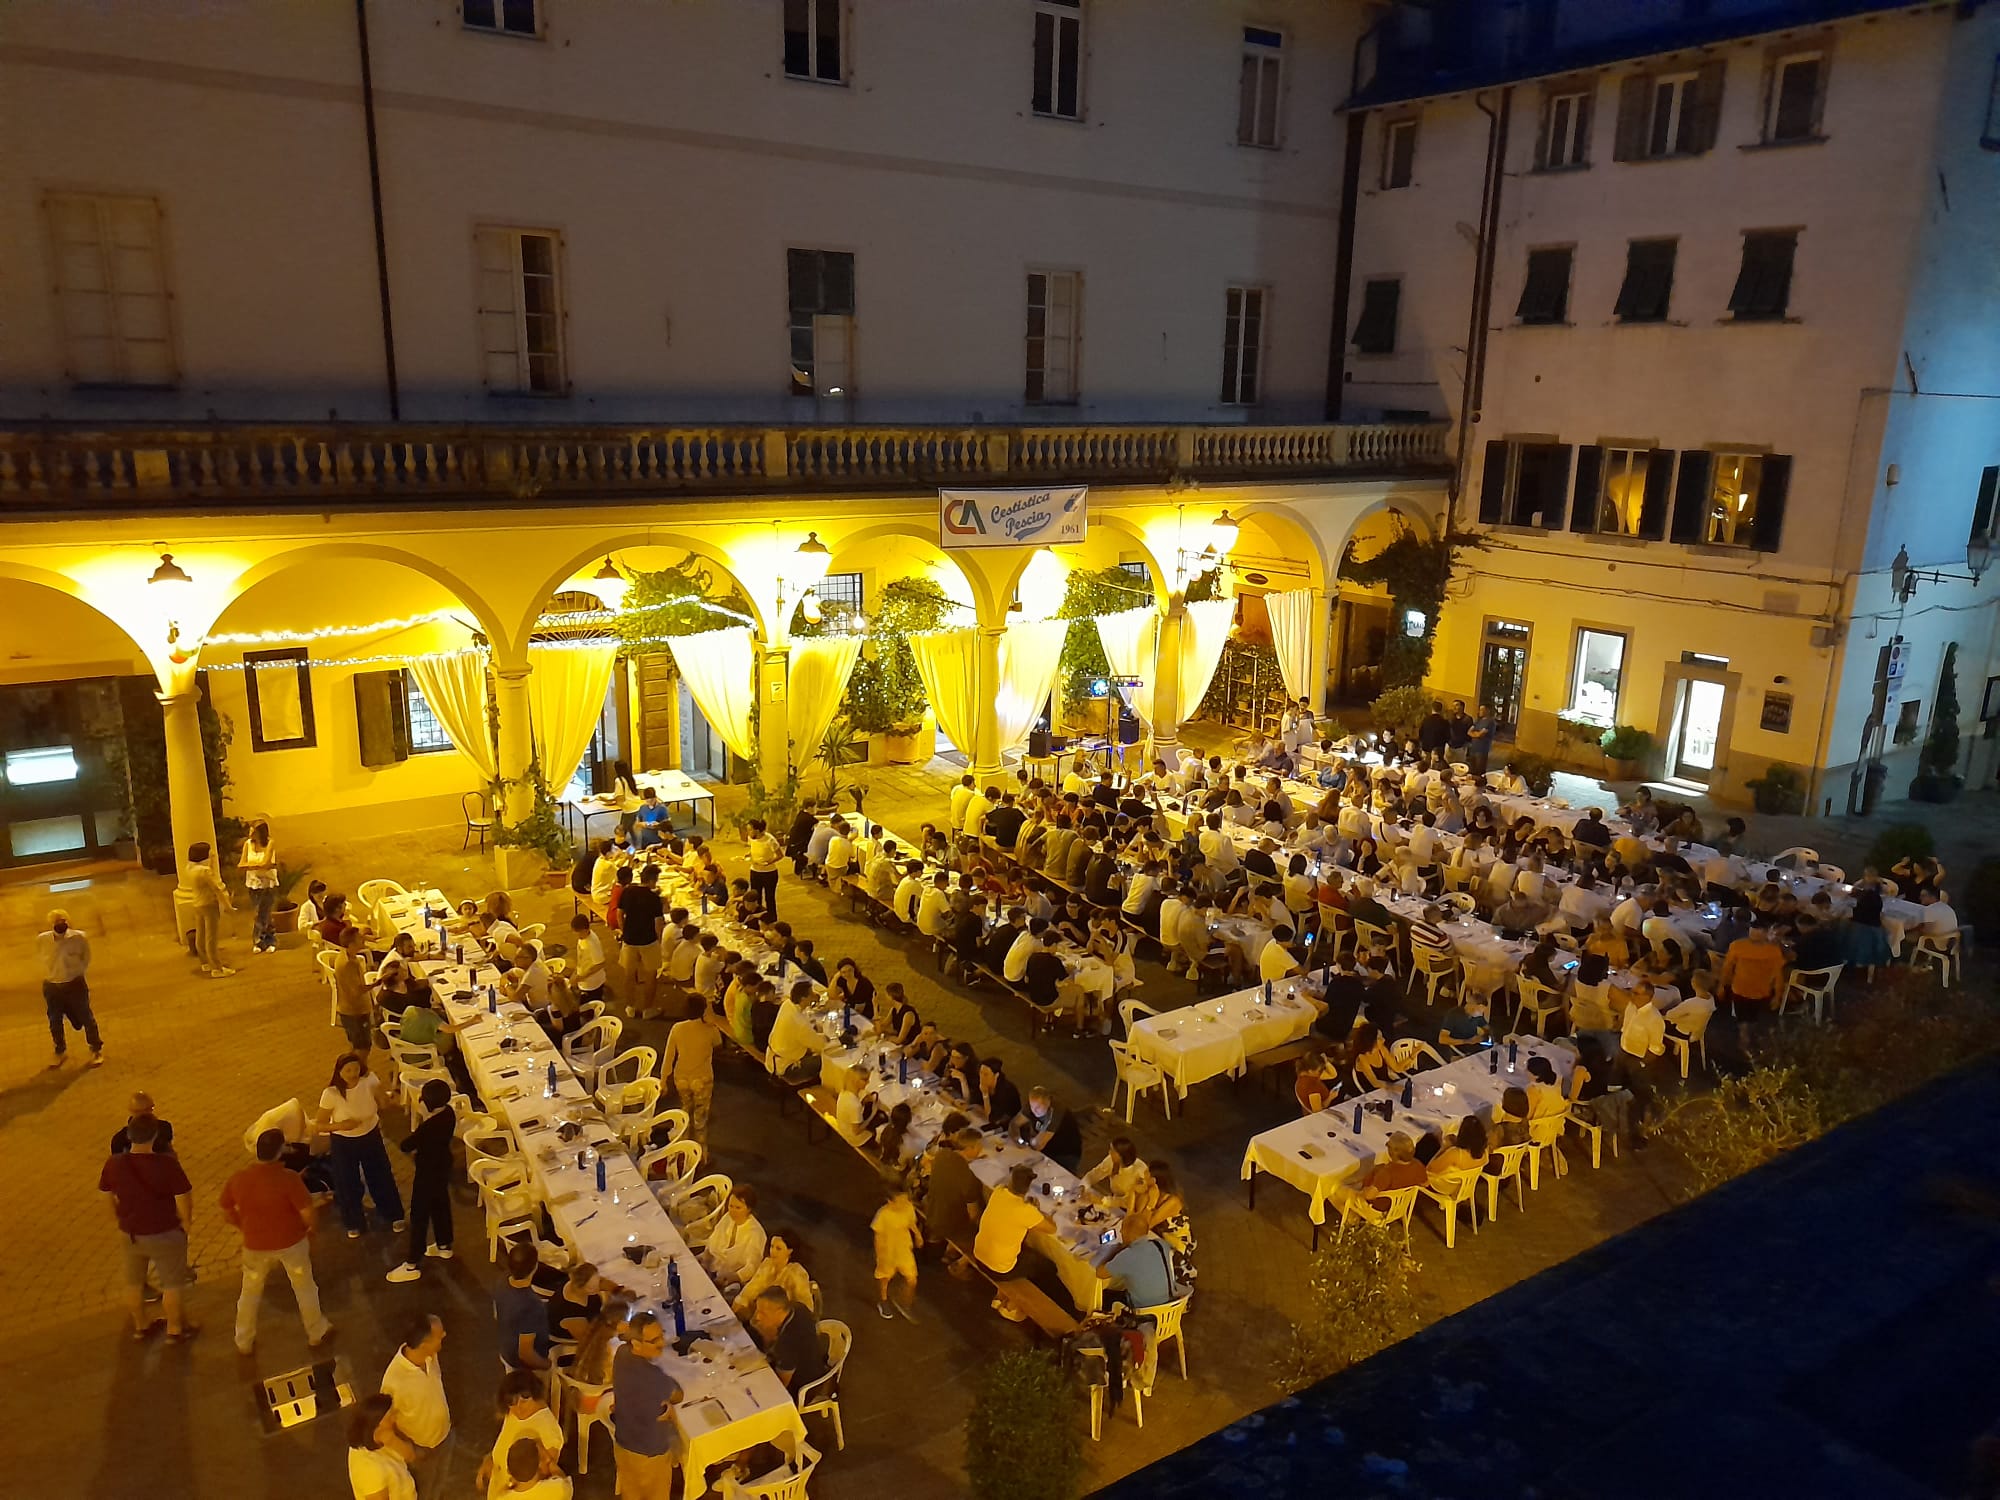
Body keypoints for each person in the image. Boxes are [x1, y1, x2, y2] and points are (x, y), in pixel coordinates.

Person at [222, 1126, 332, 1353]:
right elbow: (307, 1212)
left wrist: (242, 1225)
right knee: (304, 1288)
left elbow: (225, 1207)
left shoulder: (239, 1178)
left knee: (250, 1292)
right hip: (291, 1243)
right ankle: (315, 1331)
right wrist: (310, 1230)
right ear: (280, 1150)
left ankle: (243, 1340)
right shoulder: (289, 1179)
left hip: (255, 1245)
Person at [100, 1114, 197, 1342]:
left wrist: (117, 1219)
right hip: (164, 1231)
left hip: (131, 1233)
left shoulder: (114, 1164)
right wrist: (186, 1222)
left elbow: (105, 1194)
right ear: (154, 1136)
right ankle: (174, 1329)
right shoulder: (166, 1164)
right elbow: (183, 1196)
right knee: (172, 1283)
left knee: (133, 1283)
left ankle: (140, 1325)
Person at [315, 1053, 407, 1239]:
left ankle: (393, 1214)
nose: (353, 1074)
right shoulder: (331, 1094)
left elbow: (382, 1102)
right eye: (348, 1070)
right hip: (343, 1141)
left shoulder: (369, 1080)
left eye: (356, 1069)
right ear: (339, 1072)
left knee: (381, 1175)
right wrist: (341, 1126)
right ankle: (353, 1222)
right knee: (347, 1181)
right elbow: (319, 1125)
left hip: (370, 1135)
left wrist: (388, 1099)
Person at [385, 1080, 457, 1283]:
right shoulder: (449, 1114)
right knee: (441, 1204)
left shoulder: (428, 1127)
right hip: (443, 1167)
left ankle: (412, 1263)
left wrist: (423, 1120)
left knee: (419, 1216)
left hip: (427, 1173)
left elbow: (406, 1145)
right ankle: (444, 1245)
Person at [611, 1311, 683, 1500]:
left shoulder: (622, 1353)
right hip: (650, 1453)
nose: (661, 1344)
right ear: (636, 1343)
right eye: (654, 1340)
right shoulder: (653, 1377)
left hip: (624, 1442)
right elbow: (677, 1394)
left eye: (661, 1336)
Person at [475, 1369, 568, 1500]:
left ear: (535, 1394)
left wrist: (510, 1489)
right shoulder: (513, 1414)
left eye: (524, 1400)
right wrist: (490, 1459)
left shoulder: (549, 1431)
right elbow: (504, 1442)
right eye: (511, 1402)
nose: (518, 1407)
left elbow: (543, 1477)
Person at [39, 907, 103, 1068]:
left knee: (86, 1017)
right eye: (56, 922)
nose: (60, 925)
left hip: (74, 984)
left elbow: (86, 958)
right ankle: (59, 1051)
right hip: (53, 986)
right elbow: (39, 958)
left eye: (63, 921)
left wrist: (75, 973)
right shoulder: (42, 940)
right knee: (55, 1021)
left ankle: (96, 1049)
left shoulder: (79, 938)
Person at [973, 1164, 1055, 1284]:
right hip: (999, 1269)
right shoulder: (1025, 1210)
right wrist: (1038, 1211)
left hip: (979, 1256)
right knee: (1049, 1266)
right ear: (1028, 1188)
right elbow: (1052, 1229)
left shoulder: (999, 1192)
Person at [748, 1286, 829, 1391]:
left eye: (763, 1313)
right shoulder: (798, 1308)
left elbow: (780, 1385)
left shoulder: (787, 1343)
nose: (758, 1316)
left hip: (804, 1385)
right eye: (758, 1310)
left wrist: (766, 1337)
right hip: (816, 1364)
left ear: (779, 1312)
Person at [661, 1010, 720, 1147]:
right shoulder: (710, 1029)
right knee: (701, 1117)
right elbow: (719, 1046)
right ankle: (700, 1153)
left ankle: (683, 1148)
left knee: (685, 1111)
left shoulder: (677, 1028)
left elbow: (669, 1056)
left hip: (681, 1077)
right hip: (702, 1078)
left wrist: (664, 1079)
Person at [1097, 1213, 1180, 1311]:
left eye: (1122, 1229)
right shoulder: (1160, 1244)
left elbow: (1100, 1273)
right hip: (1170, 1303)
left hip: (1146, 1311)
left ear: (1129, 1232)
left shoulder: (1127, 1256)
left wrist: (1114, 1253)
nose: (1120, 1232)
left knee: (1105, 1295)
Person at [923, 1129, 988, 1252]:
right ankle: (954, 1254)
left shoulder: (941, 1155)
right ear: (970, 1148)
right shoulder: (969, 1179)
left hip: (932, 1208)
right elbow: (973, 1214)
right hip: (949, 1224)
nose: (980, 1150)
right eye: (978, 1146)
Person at [493, 1240, 551, 1372]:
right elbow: (526, 1353)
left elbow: (496, 1313)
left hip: (506, 1349)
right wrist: (547, 1365)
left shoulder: (503, 1279)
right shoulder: (531, 1306)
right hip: (523, 1366)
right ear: (535, 1267)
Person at [183, 840, 239, 977]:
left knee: (200, 935)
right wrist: (228, 906)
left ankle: (205, 963)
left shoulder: (189, 868)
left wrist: (212, 862)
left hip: (197, 903)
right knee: (211, 938)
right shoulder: (204, 871)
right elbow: (217, 888)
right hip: (209, 904)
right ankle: (217, 968)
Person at [348, 1392, 417, 1500]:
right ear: (376, 1424)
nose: (395, 1419)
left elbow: (410, 1456)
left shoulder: (384, 1434)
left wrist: (391, 1440)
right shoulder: (370, 1471)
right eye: (390, 1417)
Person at [619, 865, 667, 1018]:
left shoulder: (627, 891)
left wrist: (624, 930)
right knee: (650, 976)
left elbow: (619, 914)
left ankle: (630, 1007)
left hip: (629, 940)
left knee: (628, 974)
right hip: (648, 941)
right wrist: (659, 940)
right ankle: (647, 1009)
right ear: (653, 880)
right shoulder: (654, 899)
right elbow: (658, 923)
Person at [701, 1185, 768, 1290]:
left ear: (749, 1209)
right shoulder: (727, 1218)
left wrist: (734, 1277)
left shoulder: (755, 1232)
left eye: (738, 1208)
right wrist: (705, 1263)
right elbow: (712, 1243)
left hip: (732, 1279)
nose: (733, 1211)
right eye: (731, 1206)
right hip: (714, 1267)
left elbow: (752, 1266)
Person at [733, 1233, 814, 1319]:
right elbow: (752, 1288)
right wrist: (741, 1301)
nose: (773, 1251)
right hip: (760, 1313)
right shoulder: (767, 1264)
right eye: (772, 1247)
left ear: (789, 1251)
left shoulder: (796, 1272)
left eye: (778, 1249)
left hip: (781, 1319)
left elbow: (805, 1307)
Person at [872, 1186, 922, 1321]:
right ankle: (883, 1301)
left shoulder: (908, 1207)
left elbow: (911, 1223)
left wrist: (918, 1235)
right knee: (885, 1278)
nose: (904, 1204)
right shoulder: (883, 1215)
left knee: (912, 1279)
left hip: (904, 1249)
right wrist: (879, 1254)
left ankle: (905, 1302)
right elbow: (877, 1236)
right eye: (900, 1201)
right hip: (888, 1252)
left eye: (905, 1200)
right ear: (890, 1202)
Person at [1720, 920, 1788, 1009]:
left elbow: (1727, 968)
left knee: (1743, 1018)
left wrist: (1722, 986)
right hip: (1761, 992)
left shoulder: (1737, 946)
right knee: (1754, 1019)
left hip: (1740, 989)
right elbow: (1778, 975)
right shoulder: (1773, 951)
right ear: (1766, 933)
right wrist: (1777, 996)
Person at [1014, 1086, 1084, 1172]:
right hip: (1046, 1151)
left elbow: (1039, 1144)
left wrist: (1027, 1141)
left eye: (1038, 1107)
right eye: (1032, 1106)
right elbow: (1014, 1124)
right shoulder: (1033, 1105)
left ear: (1048, 1102)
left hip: (1064, 1155)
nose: (1034, 1110)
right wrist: (1019, 1139)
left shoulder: (1056, 1112)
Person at [1356, 1131, 1429, 1210]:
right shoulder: (1417, 1165)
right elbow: (1425, 1183)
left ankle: (1352, 1217)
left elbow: (1369, 1196)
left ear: (1392, 1152)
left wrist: (1364, 1189)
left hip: (1380, 1207)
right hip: (1402, 1206)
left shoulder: (1387, 1173)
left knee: (1344, 1191)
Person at [333, 926, 374, 1057]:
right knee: (362, 1047)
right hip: (355, 1011)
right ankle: (360, 1072)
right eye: (359, 939)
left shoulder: (346, 955)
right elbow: (357, 991)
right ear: (351, 944)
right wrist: (379, 982)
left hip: (349, 1010)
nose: (363, 940)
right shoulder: (348, 964)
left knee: (356, 1044)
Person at [1083, 1136, 1152, 1208]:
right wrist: (1083, 1185)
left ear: (1120, 1156)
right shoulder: (1110, 1160)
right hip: (1114, 1199)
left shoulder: (1140, 1171)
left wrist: (1102, 1200)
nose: (1109, 1152)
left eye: (1112, 1151)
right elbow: (1095, 1174)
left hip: (1131, 1206)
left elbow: (1127, 1201)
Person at [977, 1056, 1022, 1126]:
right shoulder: (983, 1084)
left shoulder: (1006, 1091)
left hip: (1009, 1124)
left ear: (996, 1075)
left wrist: (985, 1094)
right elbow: (977, 1102)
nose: (981, 1077)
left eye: (986, 1074)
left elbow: (991, 1117)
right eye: (980, 1073)